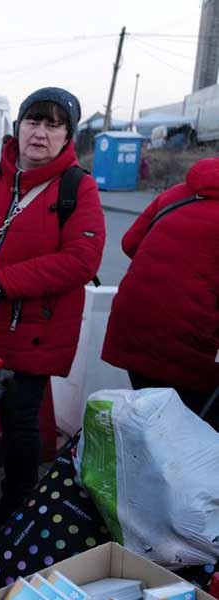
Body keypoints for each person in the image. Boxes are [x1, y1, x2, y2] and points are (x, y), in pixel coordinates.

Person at [0, 87, 106, 525]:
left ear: (68, 136)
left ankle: (15, 519)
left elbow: (82, 260)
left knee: (20, 428)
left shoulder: (77, 188)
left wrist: (5, 283)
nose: (40, 133)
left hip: (29, 335)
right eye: (33, 121)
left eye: (53, 125)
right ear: (18, 127)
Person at [102, 157, 219, 428]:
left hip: (133, 324)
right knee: (190, 432)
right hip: (190, 339)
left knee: (149, 423)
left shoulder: (174, 194)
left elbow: (131, 242)